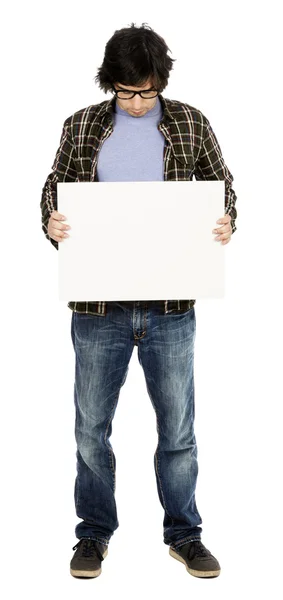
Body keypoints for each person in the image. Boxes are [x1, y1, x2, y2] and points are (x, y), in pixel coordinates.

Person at [40, 22, 237, 580]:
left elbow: (224, 188)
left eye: (145, 92)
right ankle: (94, 535)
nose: (134, 102)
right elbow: (53, 191)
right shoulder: (81, 126)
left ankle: (185, 534)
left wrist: (226, 222)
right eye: (125, 91)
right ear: (111, 83)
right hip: (98, 308)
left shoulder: (190, 124)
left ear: (160, 83)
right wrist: (51, 220)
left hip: (170, 308)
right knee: (90, 427)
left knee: (178, 429)